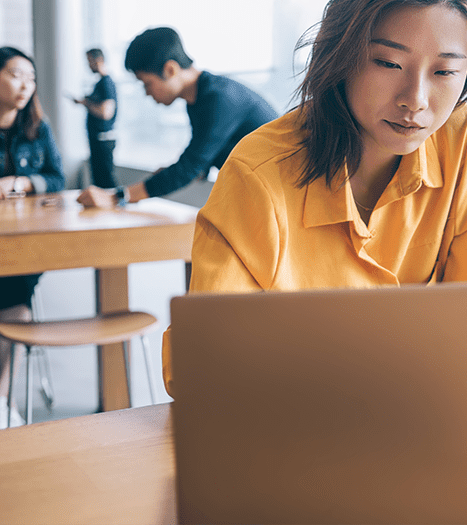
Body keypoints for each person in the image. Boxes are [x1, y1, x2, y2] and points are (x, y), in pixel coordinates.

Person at [161, 0, 467, 396]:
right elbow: (202, 364)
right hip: (297, 429)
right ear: (339, 55)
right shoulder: (259, 174)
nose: (416, 100)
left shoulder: (464, 138)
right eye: (388, 63)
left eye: (445, 72)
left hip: (426, 417)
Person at [76, 27, 277, 208]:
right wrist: (172, 174)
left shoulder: (219, 98)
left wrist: (116, 197)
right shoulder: (198, 100)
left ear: (170, 70)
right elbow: (201, 161)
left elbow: (190, 166)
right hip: (262, 197)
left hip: (283, 198)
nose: (147, 93)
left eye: (147, 83)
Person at [0, 46, 65, 427]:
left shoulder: (38, 127)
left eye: (31, 77)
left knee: (15, 292)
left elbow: (58, 178)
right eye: (15, 74)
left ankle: (2, 398)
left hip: (23, 245)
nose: (25, 85)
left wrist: (25, 181)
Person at [71, 48, 117, 188]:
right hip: (98, 139)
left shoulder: (106, 82)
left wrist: (86, 103)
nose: (88, 65)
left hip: (103, 139)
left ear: (97, 60)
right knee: (99, 180)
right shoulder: (100, 83)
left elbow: (105, 112)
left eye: (89, 61)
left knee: (105, 181)